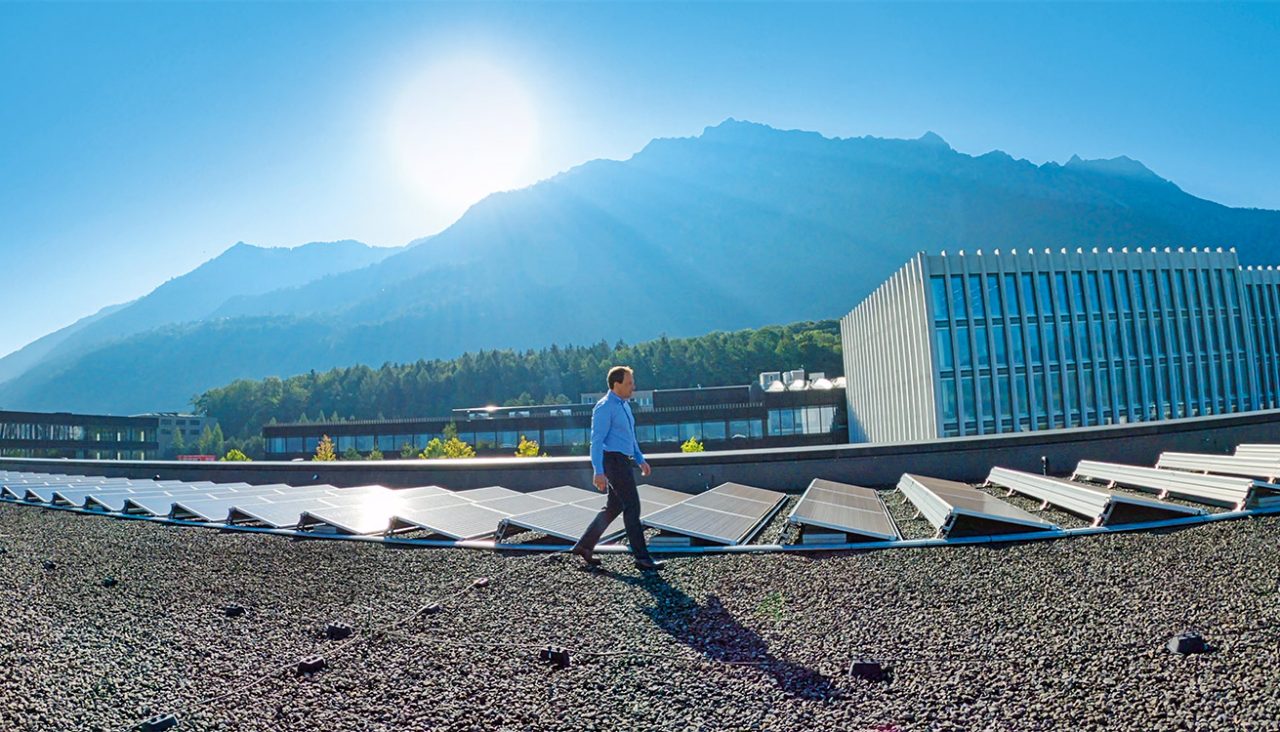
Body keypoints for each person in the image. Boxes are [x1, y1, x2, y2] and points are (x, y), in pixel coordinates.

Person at [571, 366, 664, 571]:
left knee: (614, 506)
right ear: (616, 384)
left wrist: (640, 459)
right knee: (632, 506)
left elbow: (630, 436)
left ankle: (584, 546)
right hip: (612, 461)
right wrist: (598, 471)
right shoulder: (604, 407)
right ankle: (642, 557)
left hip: (622, 461)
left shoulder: (624, 405)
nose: (633, 387)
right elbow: (596, 441)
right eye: (629, 383)